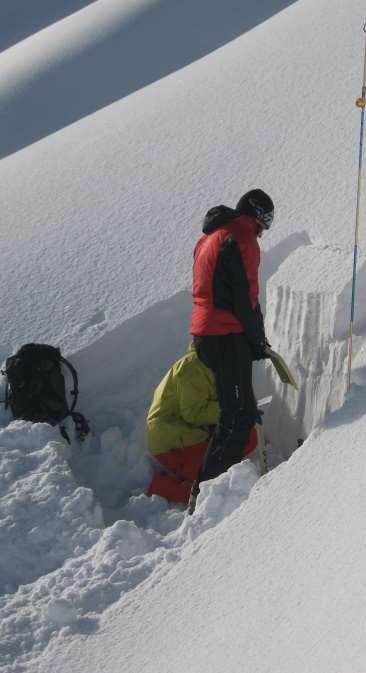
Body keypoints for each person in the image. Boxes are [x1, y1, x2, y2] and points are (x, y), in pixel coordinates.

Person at [188, 189, 274, 501]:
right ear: (256, 215)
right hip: (225, 335)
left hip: (207, 334)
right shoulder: (242, 237)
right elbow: (244, 295)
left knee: (237, 412)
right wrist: (255, 338)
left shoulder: (211, 236)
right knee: (238, 415)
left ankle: (213, 490)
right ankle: (207, 496)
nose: (264, 231)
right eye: (265, 221)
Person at [145, 344, 258, 503]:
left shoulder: (217, 365)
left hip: (196, 433)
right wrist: (232, 409)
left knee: (249, 436)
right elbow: (193, 413)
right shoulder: (192, 369)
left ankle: (197, 470)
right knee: (208, 485)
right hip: (171, 441)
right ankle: (160, 487)